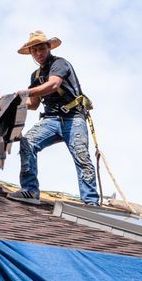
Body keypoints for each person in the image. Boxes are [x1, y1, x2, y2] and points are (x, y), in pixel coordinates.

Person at [7, 30, 99, 206]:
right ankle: (30, 190)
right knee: (28, 142)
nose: (38, 53)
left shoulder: (59, 64)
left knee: (81, 156)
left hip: (73, 119)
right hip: (50, 120)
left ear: (49, 47)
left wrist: (25, 92)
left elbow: (53, 84)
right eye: (34, 51)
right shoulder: (35, 76)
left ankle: (91, 203)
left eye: (41, 49)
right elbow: (33, 104)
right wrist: (13, 102)